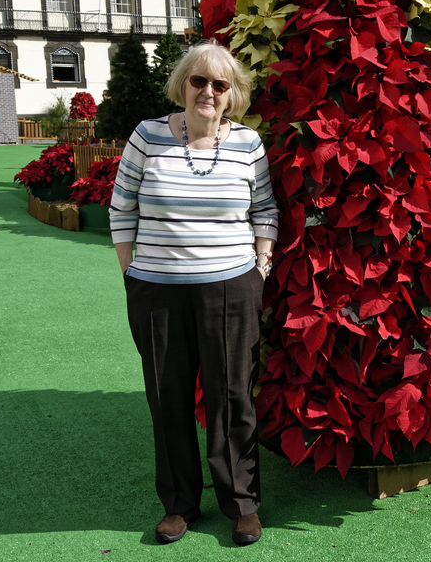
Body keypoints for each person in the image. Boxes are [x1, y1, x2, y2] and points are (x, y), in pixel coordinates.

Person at [110, 40, 278, 547]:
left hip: (231, 286)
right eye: (198, 81)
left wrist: (262, 267)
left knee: (232, 398)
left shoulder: (248, 143)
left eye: (219, 84)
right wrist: (131, 272)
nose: (207, 91)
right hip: (157, 289)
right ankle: (179, 504)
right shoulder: (147, 136)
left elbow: (265, 210)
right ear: (182, 84)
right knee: (168, 397)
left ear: (233, 95)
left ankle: (241, 504)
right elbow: (122, 207)